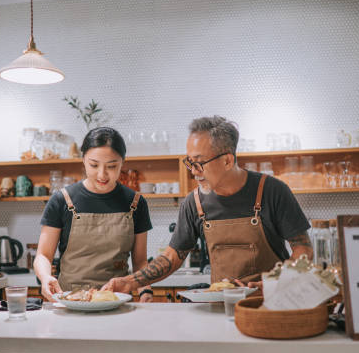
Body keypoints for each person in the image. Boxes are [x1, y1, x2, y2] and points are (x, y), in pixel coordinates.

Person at [103, 116, 312, 295]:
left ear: (228, 161)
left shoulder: (272, 191)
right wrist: (129, 282)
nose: (193, 171)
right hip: (221, 304)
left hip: (271, 301)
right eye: (189, 162)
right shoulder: (194, 202)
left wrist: (276, 283)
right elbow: (172, 257)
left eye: (199, 162)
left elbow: (303, 249)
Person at [34, 127, 153, 302]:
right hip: (69, 301)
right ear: (83, 160)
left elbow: (140, 261)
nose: (102, 174)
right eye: (94, 165)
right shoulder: (62, 200)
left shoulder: (135, 203)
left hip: (116, 301)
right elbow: (43, 255)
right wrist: (45, 277)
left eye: (112, 166)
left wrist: (145, 291)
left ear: (122, 162)